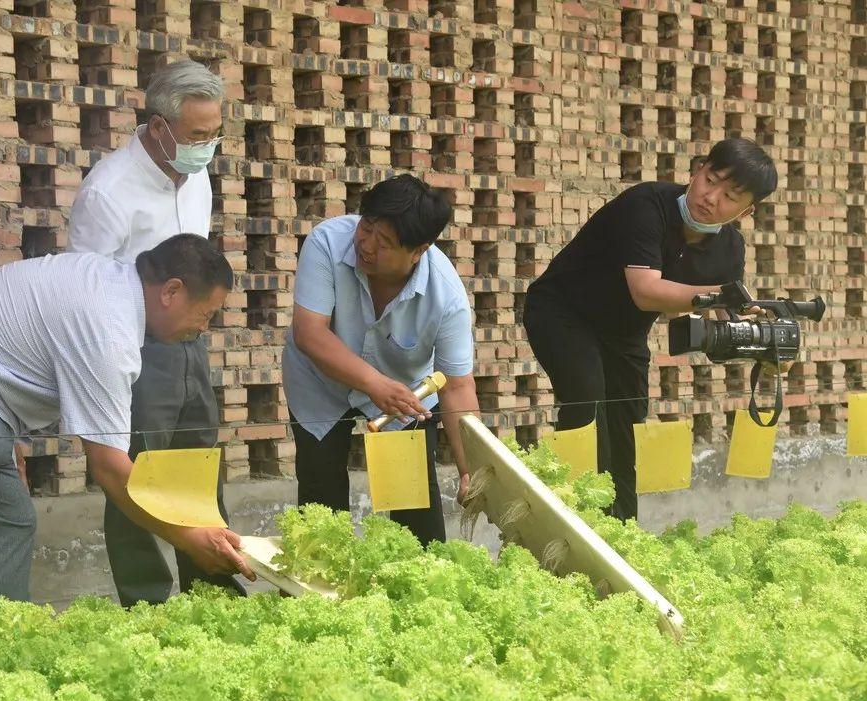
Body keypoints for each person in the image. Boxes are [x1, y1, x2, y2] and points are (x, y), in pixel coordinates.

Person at [0, 235, 254, 622]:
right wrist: (187, 538)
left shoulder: (107, 281)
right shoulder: (108, 330)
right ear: (171, 291)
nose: (204, 329)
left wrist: (2, 435)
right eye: (206, 314)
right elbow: (111, 468)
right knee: (4, 523)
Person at [522, 138, 778, 520]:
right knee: (587, 405)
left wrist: (766, 340)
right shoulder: (645, 205)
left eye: (730, 195)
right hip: (562, 313)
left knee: (629, 424)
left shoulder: (730, 249)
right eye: (711, 179)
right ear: (697, 170)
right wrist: (720, 297)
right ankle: (576, 521)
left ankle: (621, 532)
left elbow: (727, 314)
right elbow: (646, 292)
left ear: (746, 211)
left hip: (623, 333)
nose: (711, 197)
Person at [67, 60, 237, 606]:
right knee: (136, 480)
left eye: (214, 135)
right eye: (196, 136)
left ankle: (212, 594)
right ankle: (149, 607)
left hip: (190, 343)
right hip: (133, 351)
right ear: (159, 127)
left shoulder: (198, 175)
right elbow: (85, 287)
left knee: (195, 471)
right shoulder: (108, 190)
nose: (206, 147)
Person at [282, 174, 480, 545]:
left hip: (404, 395)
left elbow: (457, 385)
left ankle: (417, 587)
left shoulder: (446, 294)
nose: (366, 245)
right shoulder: (326, 242)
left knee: (413, 502)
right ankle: (319, 594)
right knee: (321, 497)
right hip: (319, 382)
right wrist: (373, 384)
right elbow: (310, 333)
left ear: (418, 250)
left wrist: (472, 469)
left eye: (384, 242)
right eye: (366, 226)